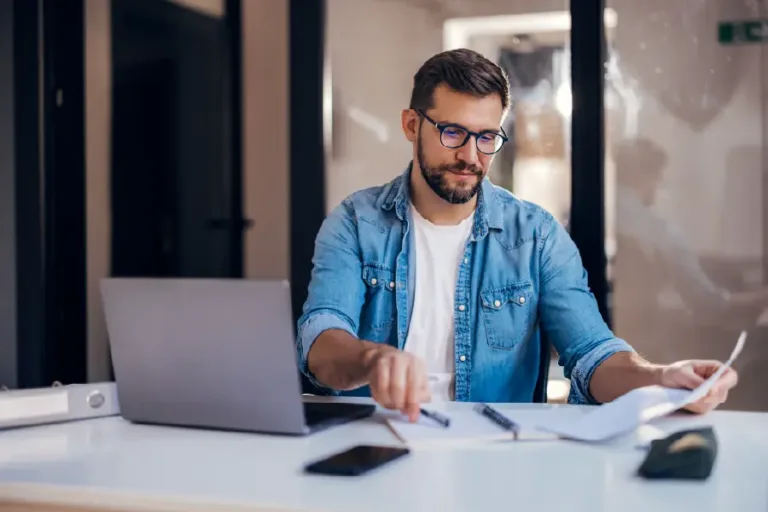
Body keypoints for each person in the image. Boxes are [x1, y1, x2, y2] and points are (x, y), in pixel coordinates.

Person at [295, 49, 738, 422]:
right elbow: (321, 337)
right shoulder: (356, 222)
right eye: (453, 133)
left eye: (487, 137)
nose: (470, 156)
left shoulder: (537, 235)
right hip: (373, 442)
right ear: (412, 125)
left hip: (493, 455)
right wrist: (372, 359)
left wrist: (660, 377)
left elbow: (592, 353)